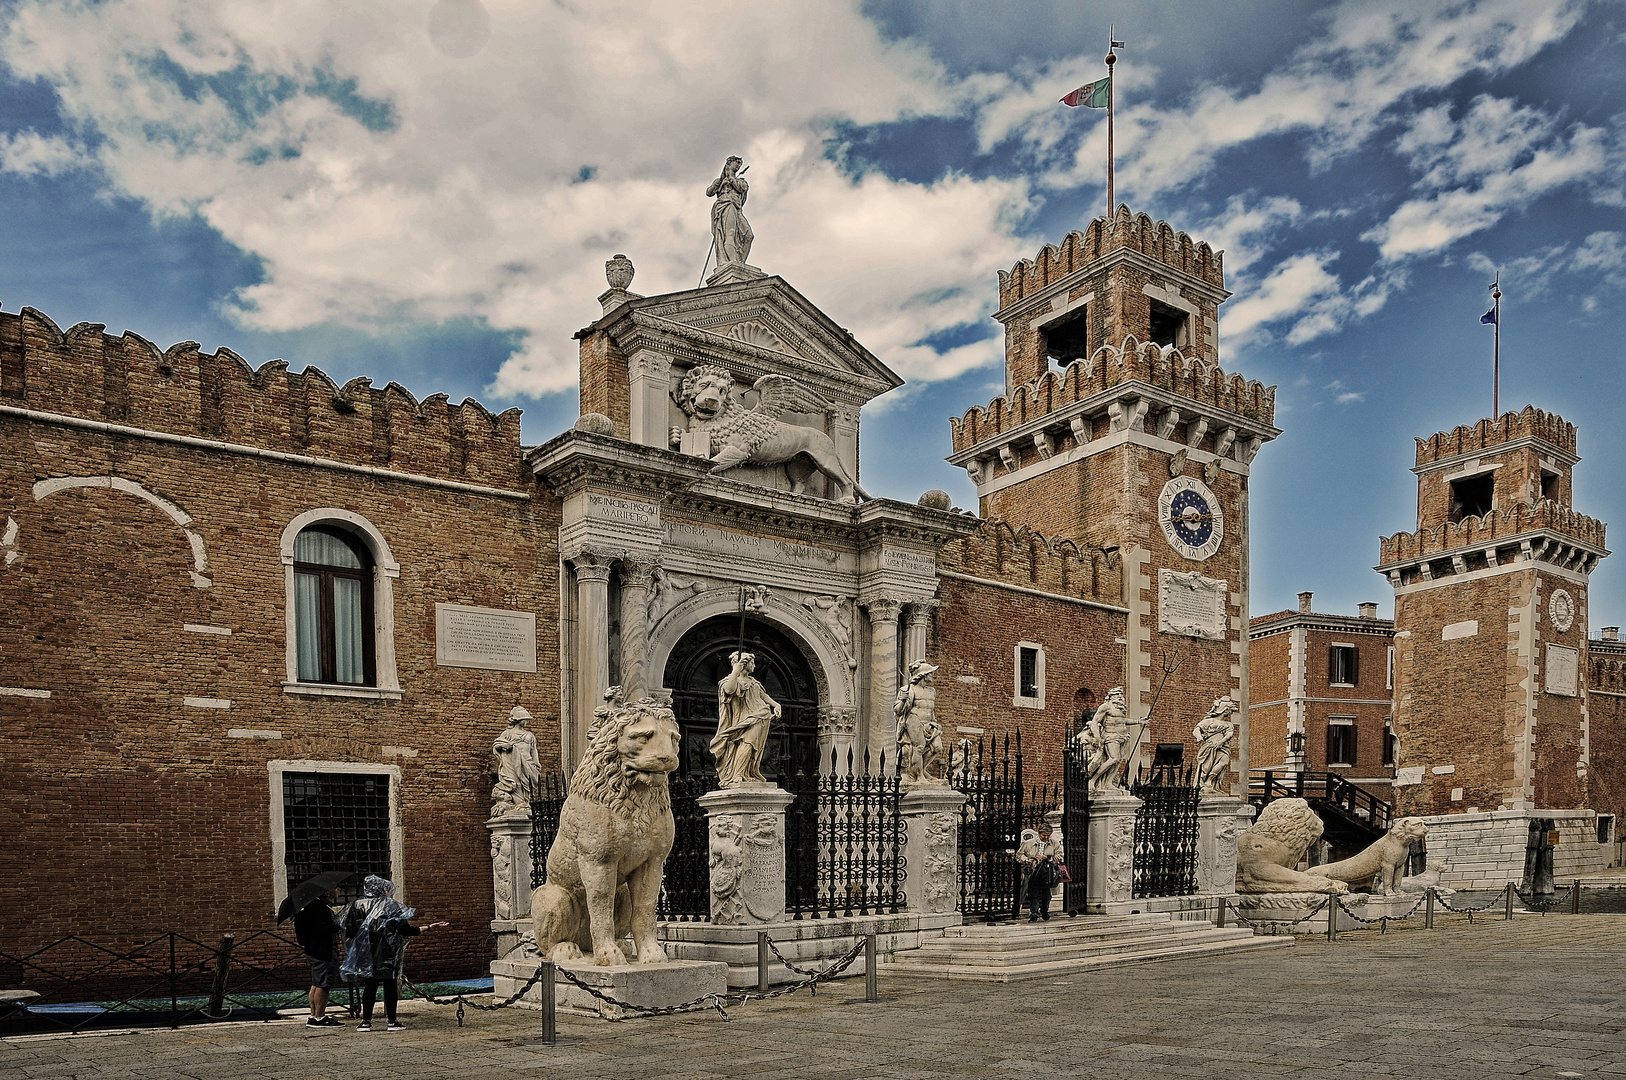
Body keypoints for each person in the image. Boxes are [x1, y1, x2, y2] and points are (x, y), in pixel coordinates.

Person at [340, 875, 449, 1032]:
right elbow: (406, 930)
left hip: (366, 953)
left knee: (370, 986)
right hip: (389, 953)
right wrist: (430, 926)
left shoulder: (356, 905)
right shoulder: (391, 906)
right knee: (390, 986)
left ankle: (366, 1021)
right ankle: (392, 1021)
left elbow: (350, 931)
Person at [711, 651, 779, 788]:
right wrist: (735, 672)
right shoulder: (730, 681)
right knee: (747, 742)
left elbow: (763, 696)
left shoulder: (754, 682)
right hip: (742, 720)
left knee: (754, 746)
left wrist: (776, 705)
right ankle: (737, 773)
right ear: (743, 665)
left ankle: (750, 772)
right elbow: (729, 690)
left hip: (760, 716)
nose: (754, 666)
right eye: (752, 663)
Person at [293, 886, 344, 1028]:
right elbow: (322, 929)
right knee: (324, 984)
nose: (338, 889)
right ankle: (319, 1017)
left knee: (316, 983)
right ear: (328, 892)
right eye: (335, 888)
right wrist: (339, 925)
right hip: (323, 950)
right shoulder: (320, 908)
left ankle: (314, 1015)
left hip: (315, 950)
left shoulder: (315, 906)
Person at [490, 705, 541, 816]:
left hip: (528, 765)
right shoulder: (507, 734)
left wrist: (536, 764)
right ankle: (519, 804)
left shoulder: (529, 735)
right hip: (512, 765)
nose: (527, 722)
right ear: (519, 720)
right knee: (515, 785)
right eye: (525, 719)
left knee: (526, 788)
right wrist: (504, 746)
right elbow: (497, 745)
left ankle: (524, 804)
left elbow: (533, 751)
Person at [706, 156, 754, 267]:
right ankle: (731, 263)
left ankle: (739, 262)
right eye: (737, 162)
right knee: (730, 233)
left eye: (740, 164)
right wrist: (717, 183)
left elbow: (742, 189)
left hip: (736, 207)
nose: (738, 165)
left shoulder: (740, 181)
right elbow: (709, 192)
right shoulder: (720, 181)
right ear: (729, 163)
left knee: (748, 235)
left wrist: (731, 178)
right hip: (725, 204)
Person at [1016, 827, 1060, 921]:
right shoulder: (1028, 843)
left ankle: (1044, 910)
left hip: (1048, 872)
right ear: (1039, 834)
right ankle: (1034, 913)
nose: (1046, 837)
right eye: (1044, 835)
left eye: (1048, 836)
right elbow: (1019, 855)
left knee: (1047, 894)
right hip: (1033, 871)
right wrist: (1027, 860)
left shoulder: (1054, 844)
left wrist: (1047, 857)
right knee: (1034, 893)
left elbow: (1060, 856)